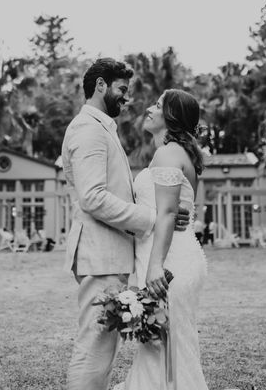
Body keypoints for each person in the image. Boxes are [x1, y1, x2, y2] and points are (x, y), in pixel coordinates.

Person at [61, 58, 190, 390]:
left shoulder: (101, 127)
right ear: (101, 85)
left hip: (108, 252)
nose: (125, 97)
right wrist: (149, 219)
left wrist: (168, 210)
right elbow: (93, 196)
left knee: (102, 347)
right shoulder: (89, 129)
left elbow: (118, 191)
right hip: (99, 253)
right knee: (94, 347)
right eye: (121, 89)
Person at [115, 89, 209, 390]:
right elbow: (166, 210)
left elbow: (168, 213)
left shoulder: (168, 153)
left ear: (171, 116)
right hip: (173, 253)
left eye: (158, 105)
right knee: (166, 344)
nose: (149, 110)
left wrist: (154, 267)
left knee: (166, 347)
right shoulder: (176, 153)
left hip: (168, 262)